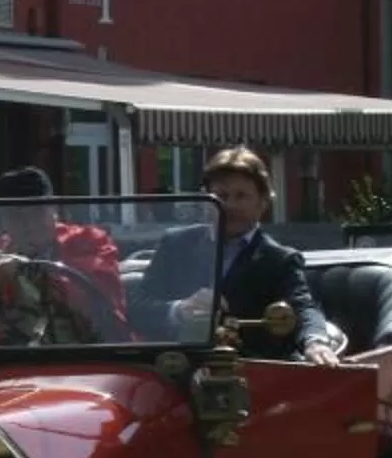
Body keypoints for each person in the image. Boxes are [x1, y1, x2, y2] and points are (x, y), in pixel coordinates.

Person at [129, 148, 342, 362]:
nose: (230, 205)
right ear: (206, 200)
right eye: (221, 196)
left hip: (246, 373)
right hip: (175, 367)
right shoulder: (176, 244)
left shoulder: (279, 260)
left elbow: (303, 308)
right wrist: (178, 310)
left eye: (241, 196)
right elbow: (137, 306)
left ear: (263, 202)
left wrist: (315, 343)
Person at [0, 167, 132, 344]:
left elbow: (99, 300)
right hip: (12, 369)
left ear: (54, 209)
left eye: (37, 213)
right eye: (16, 216)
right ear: (3, 220)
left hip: (91, 357)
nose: (29, 224)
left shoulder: (90, 242)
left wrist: (33, 274)